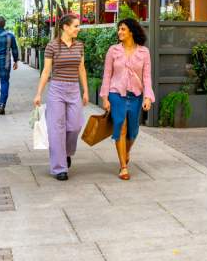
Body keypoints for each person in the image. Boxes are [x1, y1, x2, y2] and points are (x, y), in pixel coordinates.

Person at [33, 14, 89, 181]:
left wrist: (85, 91)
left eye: (78, 26)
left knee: (75, 125)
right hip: (56, 89)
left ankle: (66, 152)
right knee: (56, 129)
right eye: (76, 26)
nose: (78, 29)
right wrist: (38, 94)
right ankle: (59, 168)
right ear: (65, 27)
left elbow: (82, 69)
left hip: (73, 89)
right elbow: (46, 71)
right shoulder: (52, 46)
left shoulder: (79, 46)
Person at [100, 18, 154, 181]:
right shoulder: (113, 50)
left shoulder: (144, 52)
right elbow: (107, 74)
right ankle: (123, 166)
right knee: (120, 126)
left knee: (133, 131)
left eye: (123, 29)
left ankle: (126, 151)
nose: (119, 32)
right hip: (116, 94)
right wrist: (105, 97)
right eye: (119, 29)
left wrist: (148, 97)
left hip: (136, 95)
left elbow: (147, 77)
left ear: (131, 31)